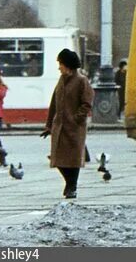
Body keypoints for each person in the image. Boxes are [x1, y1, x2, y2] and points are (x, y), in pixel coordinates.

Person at [42, 48, 94, 199]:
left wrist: (76, 118)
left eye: (60, 63)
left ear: (68, 64)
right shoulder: (62, 80)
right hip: (60, 126)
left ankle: (72, 186)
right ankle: (69, 183)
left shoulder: (81, 80)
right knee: (57, 158)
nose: (59, 67)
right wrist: (49, 125)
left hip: (74, 127)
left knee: (73, 159)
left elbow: (86, 103)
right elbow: (54, 103)